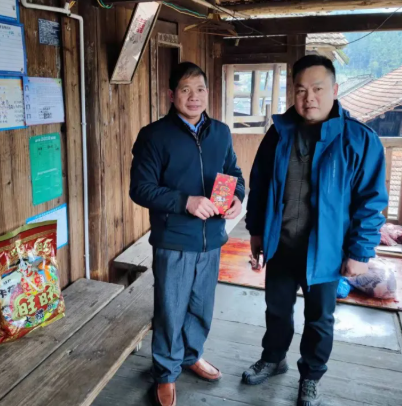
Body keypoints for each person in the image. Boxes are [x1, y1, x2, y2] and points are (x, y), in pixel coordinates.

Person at [242, 55, 388, 406]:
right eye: (301, 90)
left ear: (335, 90)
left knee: (320, 318)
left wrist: (360, 252)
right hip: (281, 244)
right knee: (276, 309)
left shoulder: (359, 139)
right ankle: (273, 358)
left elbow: (371, 202)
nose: (309, 98)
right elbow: (259, 185)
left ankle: (310, 376)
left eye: (318, 89)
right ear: (293, 93)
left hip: (326, 250)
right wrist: (257, 231)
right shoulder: (279, 133)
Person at [130, 62, 245, 406]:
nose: (194, 97)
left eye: (200, 89)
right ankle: (165, 373)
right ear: (171, 95)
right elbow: (141, 189)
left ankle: (191, 355)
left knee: (201, 307)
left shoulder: (220, 132)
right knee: (171, 310)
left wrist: (238, 196)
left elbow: (234, 173)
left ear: (208, 93)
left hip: (212, 239)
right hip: (175, 240)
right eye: (185, 89)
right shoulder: (154, 136)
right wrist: (186, 202)